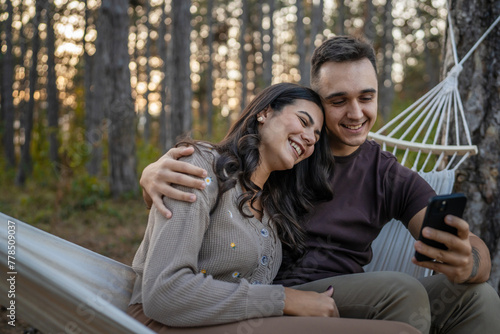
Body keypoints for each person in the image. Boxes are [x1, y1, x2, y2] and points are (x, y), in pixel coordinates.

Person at [140, 36, 500, 334]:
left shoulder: (383, 172)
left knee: (478, 296)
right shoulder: (288, 150)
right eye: (338, 101)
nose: (356, 113)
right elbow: (223, 172)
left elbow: (465, 246)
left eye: (366, 97)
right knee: (400, 292)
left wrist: (469, 261)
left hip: (345, 294)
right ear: (316, 100)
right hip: (283, 293)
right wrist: (153, 174)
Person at [128, 83, 419, 334]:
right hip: (162, 326)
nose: (309, 139)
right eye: (303, 122)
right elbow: (163, 293)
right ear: (264, 112)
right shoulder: (201, 167)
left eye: (316, 136)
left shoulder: (272, 207)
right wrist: (285, 300)